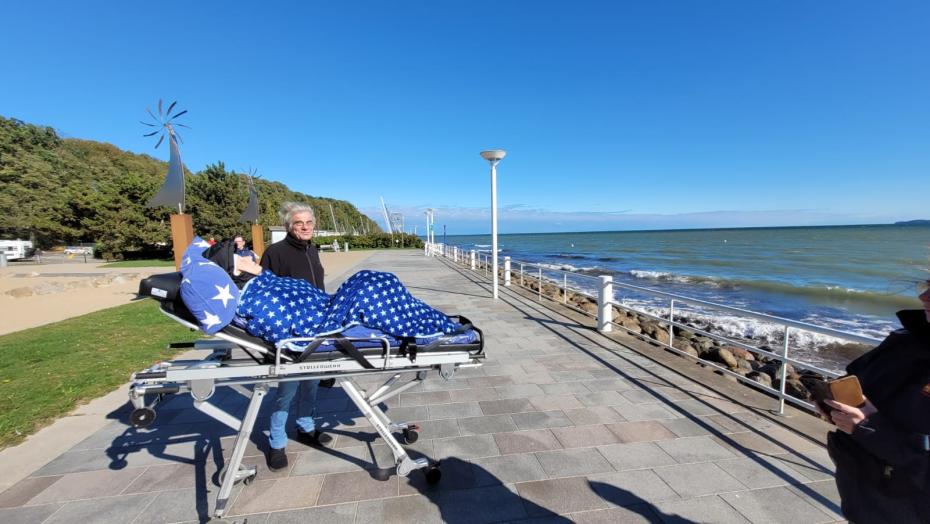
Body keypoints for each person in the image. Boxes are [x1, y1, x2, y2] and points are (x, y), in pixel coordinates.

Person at [822, 277, 930, 522]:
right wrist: (832, 403)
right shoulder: (906, 339)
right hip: (862, 497)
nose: (924, 297)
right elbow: (855, 379)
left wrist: (867, 426)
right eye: (927, 285)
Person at [259, 202, 330, 471]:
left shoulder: (312, 250)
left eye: (309, 222)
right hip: (289, 331)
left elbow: (318, 286)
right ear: (289, 226)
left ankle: (306, 427)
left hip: (314, 326)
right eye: (299, 223)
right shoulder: (275, 252)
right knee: (286, 391)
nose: (305, 227)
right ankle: (277, 442)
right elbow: (263, 292)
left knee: (311, 384)